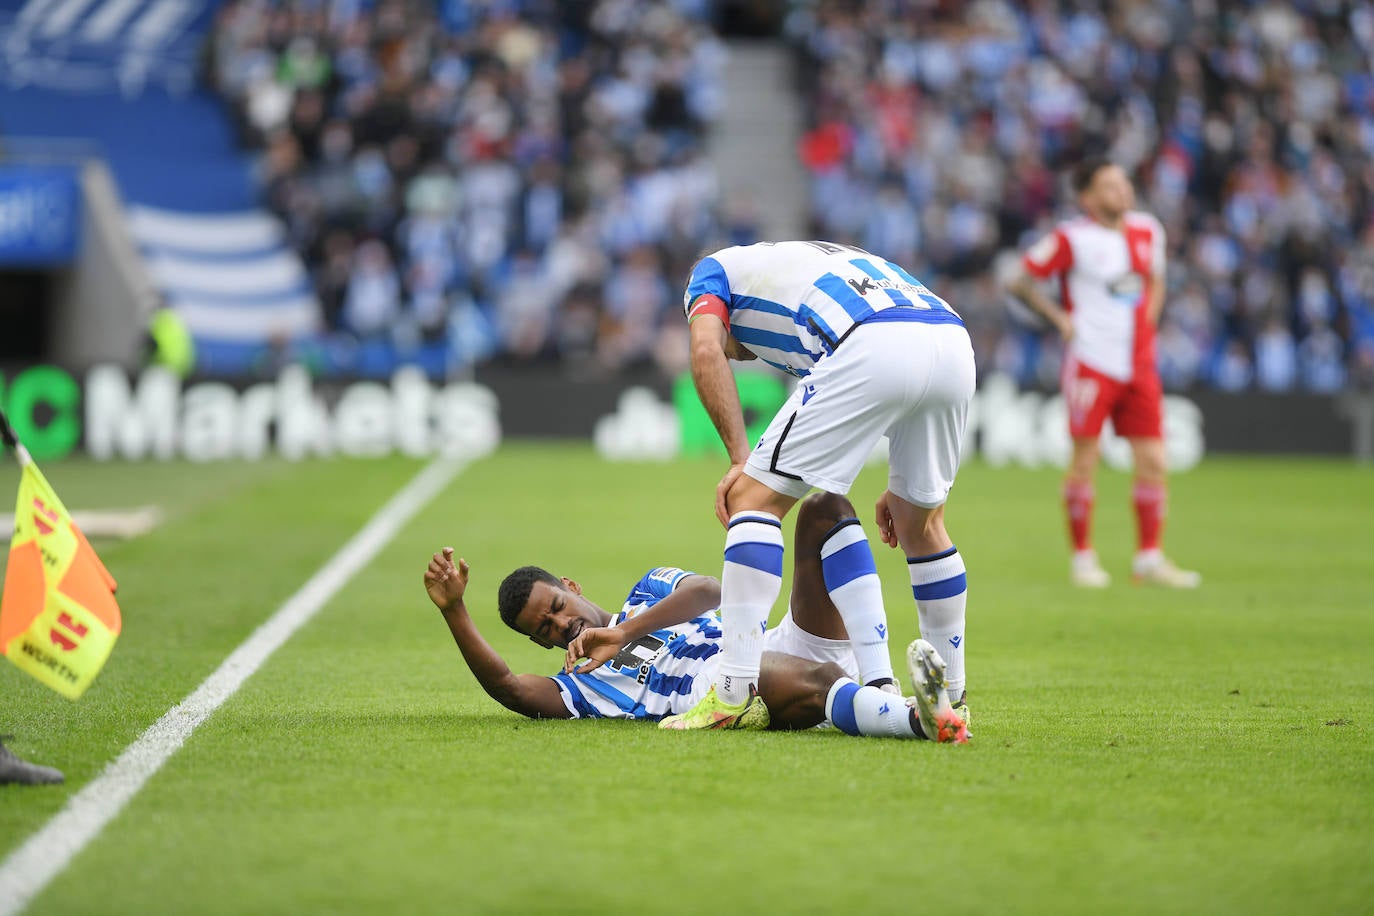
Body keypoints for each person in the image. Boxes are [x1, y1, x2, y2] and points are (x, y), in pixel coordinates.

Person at [672, 240, 975, 730]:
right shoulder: (809, 259)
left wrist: (738, 458)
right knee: (921, 523)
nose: (742, 358)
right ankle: (952, 700)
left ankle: (731, 692)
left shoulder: (710, 273)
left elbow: (706, 350)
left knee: (751, 499)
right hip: (950, 338)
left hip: (875, 339)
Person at [422, 492, 968, 743]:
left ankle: (882, 684)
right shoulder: (577, 688)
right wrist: (454, 612)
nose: (560, 625)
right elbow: (509, 688)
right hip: (718, 688)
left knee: (826, 509)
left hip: (767, 639)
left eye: (557, 608)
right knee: (814, 678)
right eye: (542, 630)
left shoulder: (650, 587)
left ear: (571, 587)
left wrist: (626, 630)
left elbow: (710, 591)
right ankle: (919, 720)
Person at [1006, 159, 1201, 589]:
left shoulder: (1149, 230)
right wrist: (1059, 319)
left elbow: (1156, 281)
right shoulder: (1071, 238)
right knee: (1085, 460)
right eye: (1109, 186)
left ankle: (1149, 557)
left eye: (1124, 183)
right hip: (1091, 364)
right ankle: (1083, 558)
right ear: (1088, 197)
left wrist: (1147, 321)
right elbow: (1018, 279)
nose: (1122, 192)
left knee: (1153, 459)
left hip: (1140, 365)